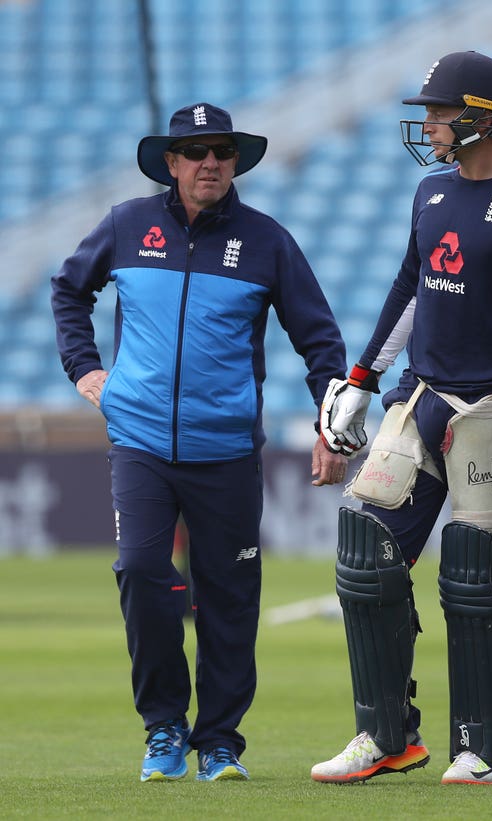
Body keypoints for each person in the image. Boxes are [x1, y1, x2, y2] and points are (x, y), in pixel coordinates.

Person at [51, 102, 349, 783]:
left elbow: (320, 342)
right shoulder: (128, 225)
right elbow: (70, 290)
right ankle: (163, 726)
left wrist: (331, 427)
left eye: (221, 151)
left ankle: (219, 740)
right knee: (142, 569)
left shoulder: (269, 241)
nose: (209, 162)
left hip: (228, 450)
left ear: (235, 161)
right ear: (173, 163)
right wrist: (85, 367)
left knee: (229, 595)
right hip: (141, 441)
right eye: (196, 152)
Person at [314, 51, 492, 785]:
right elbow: (410, 285)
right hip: (421, 395)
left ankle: (482, 745)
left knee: (472, 571)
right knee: (365, 544)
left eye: (439, 111)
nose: (427, 123)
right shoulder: (431, 193)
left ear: (482, 118)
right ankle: (387, 736)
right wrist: (362, 380)